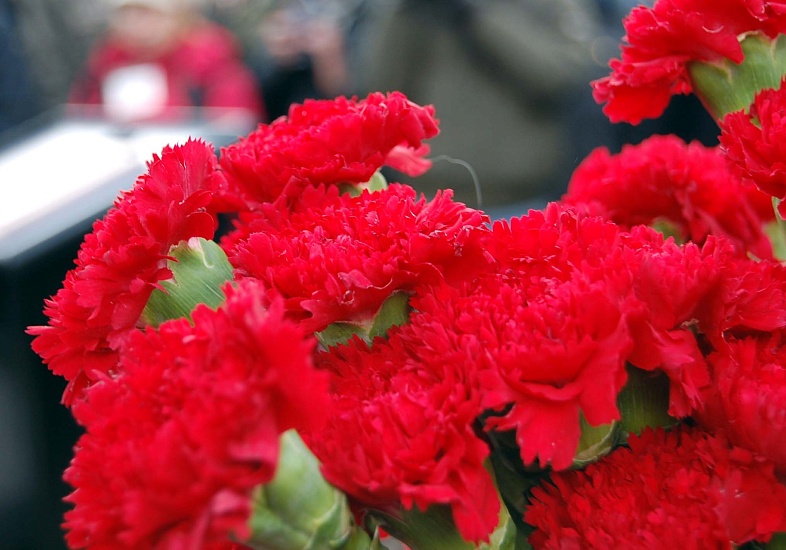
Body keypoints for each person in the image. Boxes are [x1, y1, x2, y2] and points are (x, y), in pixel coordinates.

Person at [358, 0, 603, 213]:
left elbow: (562, 76)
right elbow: (379, 89)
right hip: (427, 198)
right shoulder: (420, 12)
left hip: (517, 201)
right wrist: (404, 13)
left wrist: (476, 14)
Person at [69, 0, 264, 123]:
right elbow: (84, 117)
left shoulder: (209, 58)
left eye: (147, 14)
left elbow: (232, 125)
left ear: (179, 17)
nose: (135, 25)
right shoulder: (109, 60)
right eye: (127, 15)